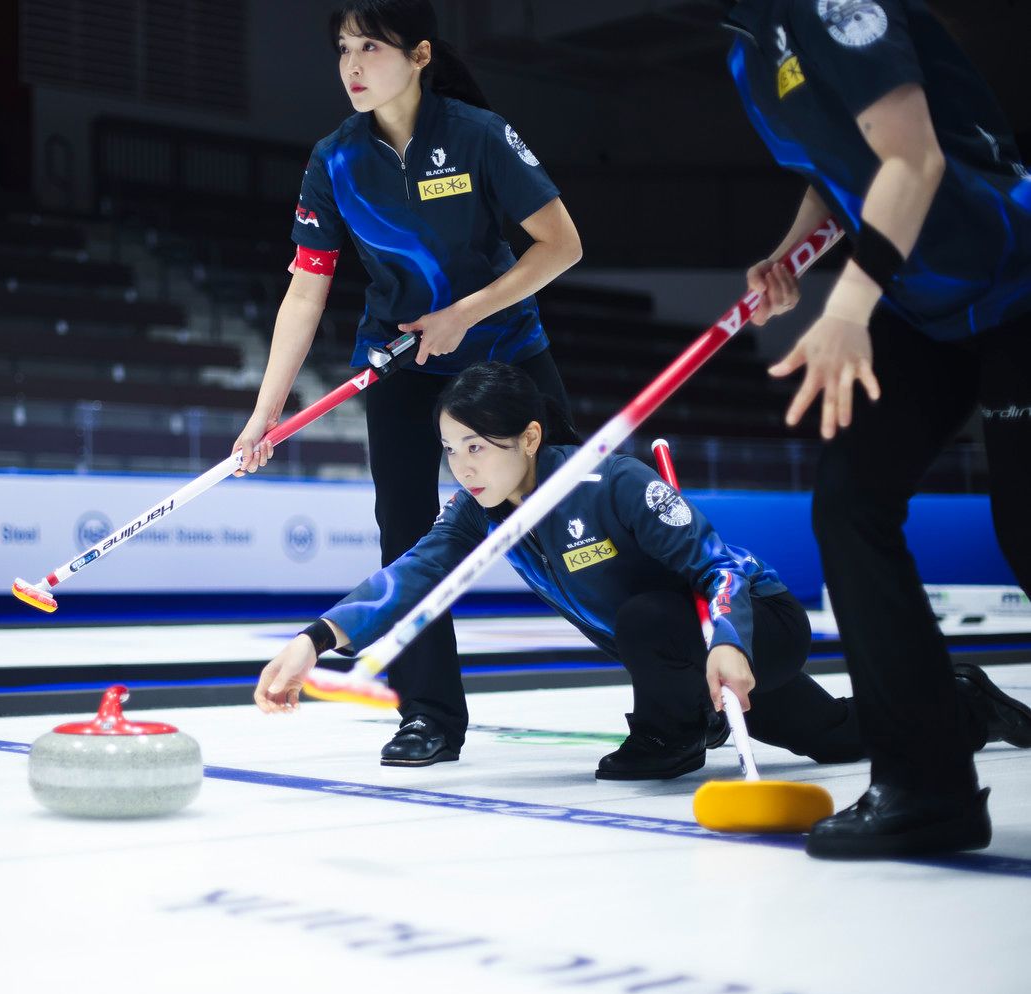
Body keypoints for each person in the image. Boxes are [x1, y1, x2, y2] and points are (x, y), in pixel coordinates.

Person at [253, 363, 1031, 783]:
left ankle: (668, 737)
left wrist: (728, 642)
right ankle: (965, 705)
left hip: (752, 624)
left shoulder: (611, 483)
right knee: (831, 739)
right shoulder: (476, 511)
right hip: (687, 650)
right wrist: (315, 640)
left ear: (529, 436)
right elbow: (410, 575)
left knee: (648, 620)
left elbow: (720, 566)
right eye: (452, 449)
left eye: (478, 447)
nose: (464, 466)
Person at [233, 0, 585, 767]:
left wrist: (465, 314)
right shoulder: (334, 159)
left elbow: (562, 245)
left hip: (505, 353)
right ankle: (428, 714)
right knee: (405, 533)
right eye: (343, 49)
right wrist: (265, 415)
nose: (353, 66)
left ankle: (679, 692)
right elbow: (305, 290)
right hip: (397, 362)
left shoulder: (479, 136)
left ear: (420, 55)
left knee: (575, 517)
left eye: (372, 47)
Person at [724, 1, 1031, 857]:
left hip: (1013, 276)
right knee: (851, 505)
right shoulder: (748, 47)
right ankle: (925, 787)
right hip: (927, 306)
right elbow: (839, 171)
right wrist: (791, 256)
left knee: (1027, 529)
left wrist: (849, 301)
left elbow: (914, 155)